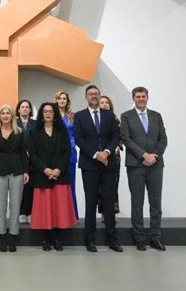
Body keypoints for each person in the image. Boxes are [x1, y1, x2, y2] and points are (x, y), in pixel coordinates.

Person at [73, 85, 123, 253]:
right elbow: (79, 139)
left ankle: (112, 240)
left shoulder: (109, 115)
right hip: (90, 165)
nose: (94, 96)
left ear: (100, 96)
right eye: (91, 94)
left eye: (96, 94)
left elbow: (115, 136)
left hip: (108, 164)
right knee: (91, 202)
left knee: (109, 202)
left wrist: (107, 152)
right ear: (86, 97)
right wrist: (96, 154)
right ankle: (90, 240)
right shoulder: (79, 116)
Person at [120, 86, 168, 252]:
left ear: (148, 98)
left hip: (155, 165)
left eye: (143, 96)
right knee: (137, 203)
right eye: (138, 96)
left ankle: (155, 237)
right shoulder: (126, 116)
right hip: (136, 165)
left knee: (156, 204)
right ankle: (139, 238)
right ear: (133, 98)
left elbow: (163, 139)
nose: (141, 99)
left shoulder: (156, 116)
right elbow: (126, 139)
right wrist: (143, 155)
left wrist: (153, 155)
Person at [28, 102, 76, 251]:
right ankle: (46, 239)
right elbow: (32, 154)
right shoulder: (34, 132)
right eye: (45, 111)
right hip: (42, 175)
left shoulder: (62, 131)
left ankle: (58, 238)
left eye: (50, 111)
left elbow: (67, 152)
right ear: (41, 114)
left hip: (59, 175)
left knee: (58, 209)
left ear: (54, 114)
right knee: (45, 210)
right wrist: (45, 169)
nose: (48, 114)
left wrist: (58, 170)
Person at [0, 104, 28, 252]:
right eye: (2, 113)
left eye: (8, 113)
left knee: (15, 205)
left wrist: (26, 172)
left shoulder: (19, 132)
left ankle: (13, 235)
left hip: (17, 171)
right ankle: (2, 235)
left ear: (12, 116)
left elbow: (24, 153)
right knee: (1, 205)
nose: (5, 116)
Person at [54, 91, 79, 220]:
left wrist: (71, 146)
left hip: (70, 153)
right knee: (56, 186)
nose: (62, 100)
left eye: (64, 98)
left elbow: (75, 134)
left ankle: (71, 214)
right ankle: (58, 215)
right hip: (55, 154)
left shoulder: (72, 116)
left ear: (67, 101)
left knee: (70, 184)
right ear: (56, 100)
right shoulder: (51, 116)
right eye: (60, 98)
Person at [98, 95, 122, 215]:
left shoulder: (116, 119)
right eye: (102, 102)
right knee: (99, 187)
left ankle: (112, 212)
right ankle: (103, 212)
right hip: (98, 157)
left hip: (114, 156)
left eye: (107, 102)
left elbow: (119, 137)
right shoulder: (95, 120)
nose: (104, 104)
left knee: (113, 185)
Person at [16, 99, 36, 224]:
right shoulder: (13, 122)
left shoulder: (36, 123)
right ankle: (21, 212)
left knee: (30, 187)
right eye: (22, 107)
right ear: (18, 109)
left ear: (30, 110)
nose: (24, 109)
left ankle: (29, 212)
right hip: (17, 158)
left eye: (27, 107)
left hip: (32, 159)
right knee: (18, 187)